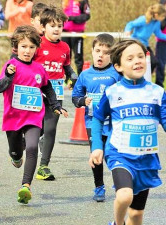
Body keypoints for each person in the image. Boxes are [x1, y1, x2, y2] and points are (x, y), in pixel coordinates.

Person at [90, 39, 166, 225]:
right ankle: (117, 223)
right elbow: (98, 119)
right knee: (124, 196)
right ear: (118, 66)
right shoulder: (112, 92)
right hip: (119, 155)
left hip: (146, 159)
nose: (137, 61)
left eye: (141, 56)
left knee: (136, 215)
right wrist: (97, 147)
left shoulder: (156, 92)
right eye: (130, 58)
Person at [0, 25, 68, 204]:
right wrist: (8, 76)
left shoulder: (38, 69)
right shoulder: (10, 66)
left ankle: (25, 186)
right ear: (16, 47)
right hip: (13, 117)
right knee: (16, 151)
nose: (27, 51)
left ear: (36, 49)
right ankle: (16, 156)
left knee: (33, 147)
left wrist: (55, 104)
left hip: (33, 117)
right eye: (24, 46)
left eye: (31, 47)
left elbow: (48, 88)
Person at [72, 33, 121, 202]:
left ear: (112, 55)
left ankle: (119, 181)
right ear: (92, 51)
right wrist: (83, 101)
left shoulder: (116, 73)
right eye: (98, 50)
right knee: (96, 154)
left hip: (114, 122)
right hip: (93, 121)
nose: (101, 55)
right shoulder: (85, 75)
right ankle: (99, 186)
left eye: (106, 52)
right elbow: (75, 98)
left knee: (112, 153)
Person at [33, 6, 76, 181]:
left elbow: (66, 67)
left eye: (59, 25)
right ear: (43, 27)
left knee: (50, 128)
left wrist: (73, 77)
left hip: (56, 93)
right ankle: (21, 142)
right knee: (35, 127)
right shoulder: (37, 44)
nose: (57, 29)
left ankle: (44, 166)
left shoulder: (65, 47)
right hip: (36, 92)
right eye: (52, 26)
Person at [124, 3, 166, 74]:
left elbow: (159, 34)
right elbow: (130, 24)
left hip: (145, 45)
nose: (164, 18)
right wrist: (127, 30)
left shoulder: (157, 23)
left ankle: (146, 78)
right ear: (156, 15)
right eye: (162, 16)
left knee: (154, 62)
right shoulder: (143, 19)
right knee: (138, 62)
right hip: (136, 44)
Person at [62, 0, 90, 83]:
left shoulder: (83, 1)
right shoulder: (65, 1)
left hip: (77, 33)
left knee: (78, 57)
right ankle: (66, 79)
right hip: (65, 32)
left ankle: (80, 79)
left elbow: (87, 16)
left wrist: (72, 18)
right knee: (65, 56)